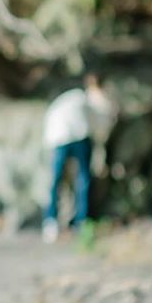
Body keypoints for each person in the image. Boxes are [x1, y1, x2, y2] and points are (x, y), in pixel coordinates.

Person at [41, 71, 116, 243]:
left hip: (58, 138)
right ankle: (80, 221)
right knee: (81, 178)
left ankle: (54, 221)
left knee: (59, 180)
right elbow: (101, 121)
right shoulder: (85, 99)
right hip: (74, 137)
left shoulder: (74, 98)